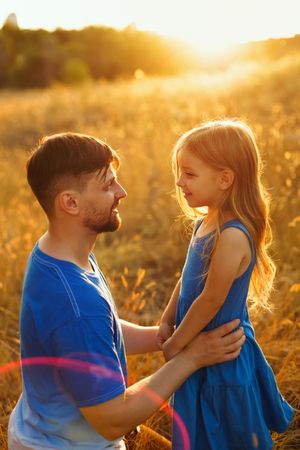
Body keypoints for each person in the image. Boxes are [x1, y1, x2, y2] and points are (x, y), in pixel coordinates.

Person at [8, 132, 246, 450]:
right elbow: (113, 421)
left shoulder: (55, 253)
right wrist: (193, 357)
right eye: (108, 185)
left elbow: (98, 334)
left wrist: (158, 338)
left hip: (46, 430)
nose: (122, 192)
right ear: (70, 202)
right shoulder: (76, 304)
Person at [157, 119, 294, 450]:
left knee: (228, 432)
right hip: (198, 347)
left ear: (224, 179)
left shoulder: (232, 234)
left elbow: (211, 299)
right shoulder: (205, 222)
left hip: (221, 355)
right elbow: (188, 278)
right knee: (199, 431)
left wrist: (176, 344)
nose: (179, 182)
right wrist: (167, 316)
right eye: (180, 173)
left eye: (190, 174)